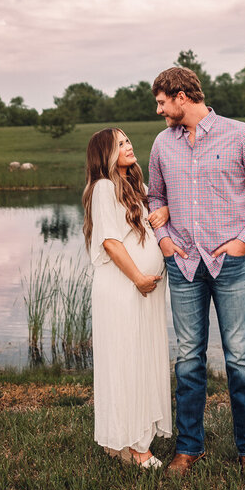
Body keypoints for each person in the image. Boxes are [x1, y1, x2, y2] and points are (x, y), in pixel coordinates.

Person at [147, 66, 245, 481]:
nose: (159, 111)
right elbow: (155, 196)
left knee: (240, 358)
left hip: (231, 263)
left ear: (182, 97)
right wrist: (164, 241)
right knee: (188, 360)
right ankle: (189, 449)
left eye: (161, 102)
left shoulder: (241, 135)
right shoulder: (161, 145)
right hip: (184, 265)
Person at [83, 127, 173, 469]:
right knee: (128, 362)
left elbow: (151, 223)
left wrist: (162, 213)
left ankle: (127, 439)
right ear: (104, 154)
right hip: (124, 289)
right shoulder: (104, 187)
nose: (128, 145)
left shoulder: (136, 186)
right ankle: (136, 448)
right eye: (119, 143)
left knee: (142, 360)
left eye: (128, 140)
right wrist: (138, 278)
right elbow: (110, 241)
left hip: (142, 291)